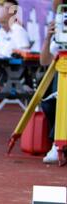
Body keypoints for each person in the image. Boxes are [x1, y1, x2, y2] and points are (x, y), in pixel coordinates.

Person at [40, 0, 67, 163]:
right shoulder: (60, 26)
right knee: (50, 103)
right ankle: (57, 145)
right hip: (62, 83)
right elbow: (44, 61)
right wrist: (48, 38)